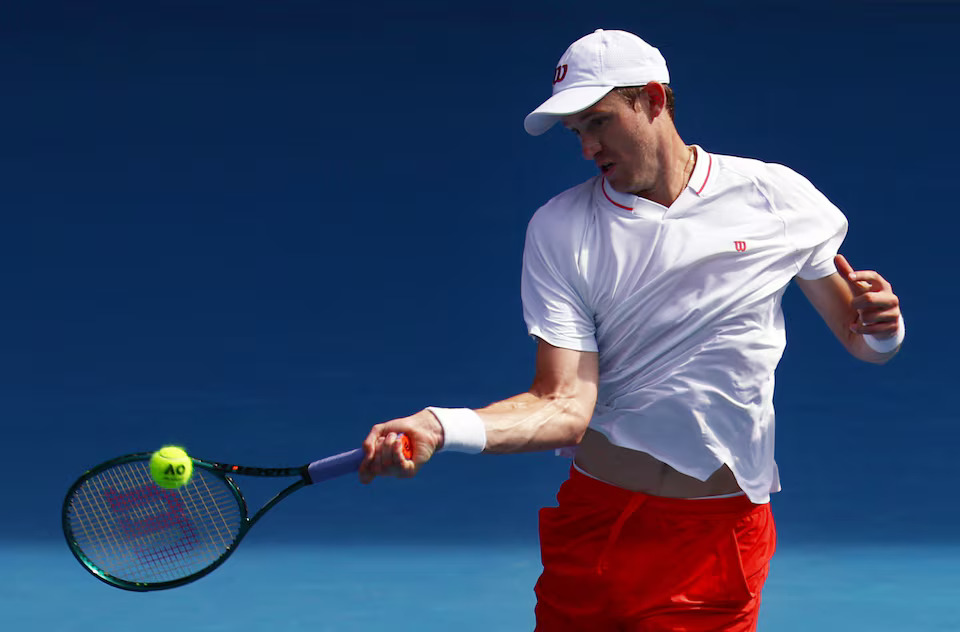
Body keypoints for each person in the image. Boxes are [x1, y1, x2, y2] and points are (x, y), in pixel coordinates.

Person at [358, 29, 904, 631]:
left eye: (598, 122)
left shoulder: (777, 198)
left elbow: (862, 338)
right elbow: (563, 404)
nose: (588, 149)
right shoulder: (560, 228)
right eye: (576, 133)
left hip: (717, 542)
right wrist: (441, 425)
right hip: (598, 524)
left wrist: (884, 329)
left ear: (652, 99)